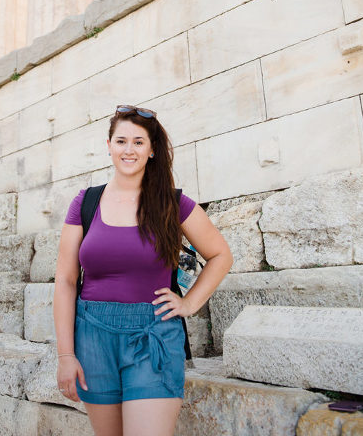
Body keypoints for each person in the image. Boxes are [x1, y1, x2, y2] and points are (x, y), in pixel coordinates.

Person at [53, 105, 233, 436]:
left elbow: (221, 255)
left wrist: (189, 303)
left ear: (151, 150)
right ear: (109, 146)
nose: (129, 150)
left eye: (139, 142)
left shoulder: (172, 203)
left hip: (153, 335)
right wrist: (66, 355)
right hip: (92, 337)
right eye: (121, 141)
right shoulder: (85, 202)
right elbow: (65, 280)